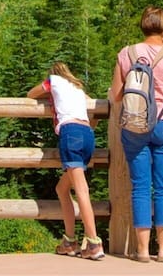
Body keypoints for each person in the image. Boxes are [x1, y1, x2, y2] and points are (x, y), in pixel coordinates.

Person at [109, 6, 163, 263]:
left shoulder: (127, 53)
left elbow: (115, 95)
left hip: (134, 126)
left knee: (140, 188)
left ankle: (143, 250)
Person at [26, 63, 104, 260]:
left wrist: (49, 94)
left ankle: (94, 242)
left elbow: (31, 94)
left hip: (70, 133)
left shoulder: (53, 81)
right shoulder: (79, 90)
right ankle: (69, 241)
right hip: (88, 134)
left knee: (81, 189)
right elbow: (95, 111)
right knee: (62, 189)